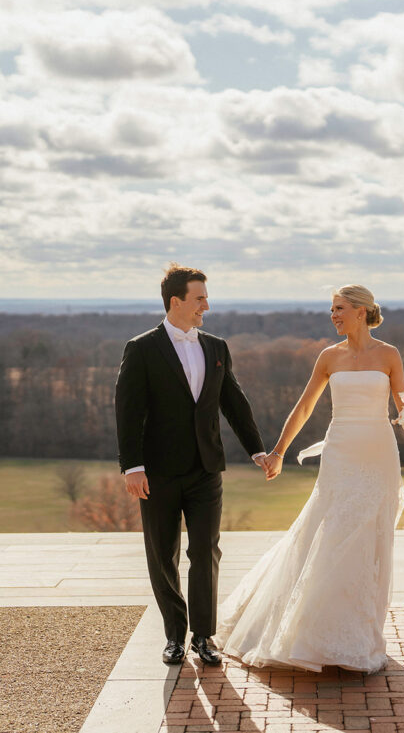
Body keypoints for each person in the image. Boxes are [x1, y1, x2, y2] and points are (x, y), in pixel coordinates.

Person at [214, 284, 404, 673]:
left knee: (370, 538)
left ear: (361, 311)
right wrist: (279, 452)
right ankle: (319, 634)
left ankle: (360, 633)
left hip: (379, 453)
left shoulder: (389, 354)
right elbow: (304, 407)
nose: (333, 316)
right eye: (332, 309)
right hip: (341, 453)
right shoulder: (328, 356)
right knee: (333, 532)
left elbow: (403, 403)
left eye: (339, 309)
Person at [115, 263, 270, 666]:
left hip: (206, 470)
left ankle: (204, 636)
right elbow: (127, 412)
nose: (206, 305)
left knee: (205, 550)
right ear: (176, 301)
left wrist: (257, 451)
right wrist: (132, 466)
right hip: (158, 472)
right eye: (200, 298)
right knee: (162, 554)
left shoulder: (217, 347)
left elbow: (234, 402)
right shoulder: (142, 348)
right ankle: (173, 635)